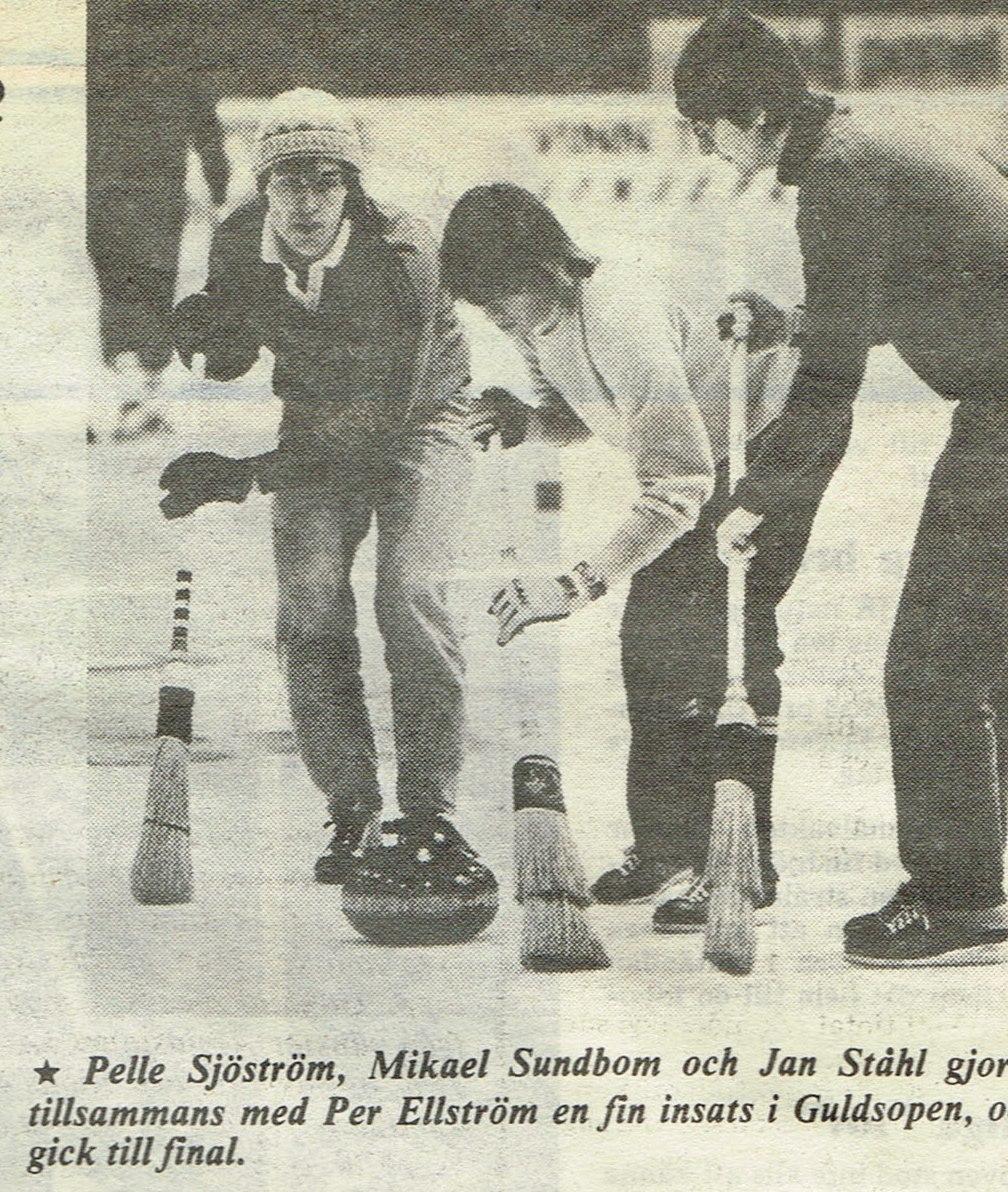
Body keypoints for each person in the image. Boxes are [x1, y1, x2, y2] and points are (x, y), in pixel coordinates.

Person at [674, 10, 1008, 966]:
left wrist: (753, 498)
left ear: (759, 115)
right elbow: (932, 279)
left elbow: (830, 395)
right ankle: (977, 881)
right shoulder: (866, 141)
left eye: (708, 125)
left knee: (931, 663)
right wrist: (800, 321)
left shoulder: (838, 176)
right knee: (984, 655)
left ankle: (960, 903)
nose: (703, 145)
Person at [439, 183, 817, 933]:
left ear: (547, 265)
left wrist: (579, 582)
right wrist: (527, 422)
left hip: (770, 443)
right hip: (701, 461)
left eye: (502, 299)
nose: (498, 320)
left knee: (726, 648)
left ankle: (745, 864)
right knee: (650, 648)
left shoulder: (619, 315)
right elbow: (588, 416)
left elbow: (679, 483)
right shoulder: (538, 322)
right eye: (485, 308)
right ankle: (669, 846)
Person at [161, 88, 492, 891]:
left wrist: (245, 475)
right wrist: (208, 343)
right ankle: (351, 803)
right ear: (264, 187)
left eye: (326, 182)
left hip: (420, 416)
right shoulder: (238, 241)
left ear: (351, 186)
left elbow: (375, 422)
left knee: (409, 590)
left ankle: (429, 807)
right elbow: (242, 352)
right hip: (315, 423)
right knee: (309, 601)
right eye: (289, 183)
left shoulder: (403, 254)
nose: (308, 203)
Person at [87, 0, 229, 441]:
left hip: (103, 191)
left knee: (115, 291)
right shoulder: (181, 53)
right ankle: (141, 399)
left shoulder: (98, 45)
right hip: (156, 195)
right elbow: (206, 126)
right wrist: (218, 184)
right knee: (150, 292)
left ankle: (124, 392)